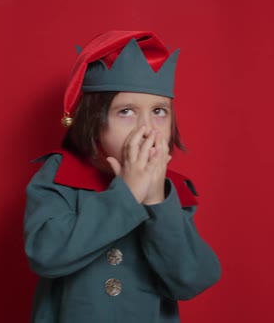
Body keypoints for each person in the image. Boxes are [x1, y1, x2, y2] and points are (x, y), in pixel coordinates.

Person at [23, 30, 221, 323]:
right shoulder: (60, 173)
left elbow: (192, 279)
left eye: (159, 111)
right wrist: (126, 194)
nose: (147, 127)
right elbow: (45, 253)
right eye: (126, 111)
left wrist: (155, 199)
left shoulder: (171, 190)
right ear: (93, 121)